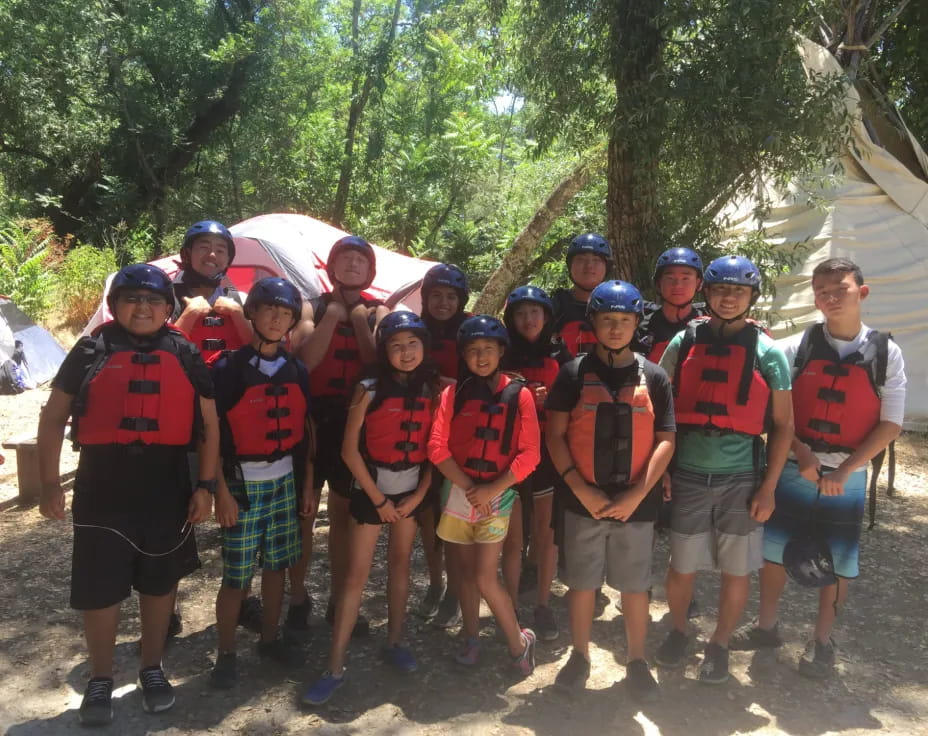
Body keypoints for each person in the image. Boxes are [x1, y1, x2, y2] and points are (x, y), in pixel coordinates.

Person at [37, 264, 218, 727]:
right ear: (115, 305)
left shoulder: (183, 351)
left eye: (153, 300)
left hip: (166, 484)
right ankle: (100, 678)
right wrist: (50, 482)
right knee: (101, 589)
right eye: (132, 299)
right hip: (103, 483)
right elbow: (54, 416)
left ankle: (152, 668)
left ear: (168, 308)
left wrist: (206, 485)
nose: (143, 308)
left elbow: (210, 424)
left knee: (160, 584)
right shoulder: (91, 349)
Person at [730, 257, 905, 678]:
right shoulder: (796, 347)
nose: (830, 297)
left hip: (849, 472)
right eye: (821, 291)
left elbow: (891, 424)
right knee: (773, 552)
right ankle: (766, 626)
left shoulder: (886, 353)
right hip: (793, 465)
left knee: (837, 561)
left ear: (861, 292)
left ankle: (822, 640)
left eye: (839, 288)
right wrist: (803, 454)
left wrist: (845, 471)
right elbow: (776, 413)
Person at [655, 255, 794, 684]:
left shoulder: (768, 352)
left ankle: (718, 643)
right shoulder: (684, 342)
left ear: (751, 296)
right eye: (720, 290)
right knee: (682, 564)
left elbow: (785, 425)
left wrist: (768, 487)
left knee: (737, 569)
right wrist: (660, 469)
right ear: (707, 294)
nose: (728, 297)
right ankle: (679, 630)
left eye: (738, 290)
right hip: (690, 473)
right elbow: (658, 411)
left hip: (741, 478)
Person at [545, 281, 675, 700]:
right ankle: (579, 654)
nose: (615, 328)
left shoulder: (654, 377)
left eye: (624, 320)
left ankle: (637, 660)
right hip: (583, 498)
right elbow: (555, 437)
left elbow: (666, 439)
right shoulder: (572, 374)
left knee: (634, 587)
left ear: (636, 323)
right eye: (607, 320)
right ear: (593, 323)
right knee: (582, 584)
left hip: (635, 500)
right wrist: (580, 489)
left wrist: (638, 494)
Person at [302, 311, 439, 705]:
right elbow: (349, 449)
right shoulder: (368, 387)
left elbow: (434, 449)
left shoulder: (431, 389)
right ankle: (334, 667)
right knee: (355, 577)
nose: (406, 351)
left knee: (400, 567)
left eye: (413, 343)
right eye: (396, 345)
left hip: (412, 489)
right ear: (384, 350)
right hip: (372, 491)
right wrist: (378, 500)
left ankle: (395, 641)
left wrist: (417, 497)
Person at [209, 278, 314, 689]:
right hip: (242, 485)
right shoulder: (227, 368)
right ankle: (226, 653)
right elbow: (210, 433)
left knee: (277, 567)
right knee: (236, 576)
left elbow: (306, 434)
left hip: (285, 480)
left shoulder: (296, 369)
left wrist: (306, 486)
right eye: (268, 309)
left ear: (291, 320)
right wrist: (219, 489)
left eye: (285, 312)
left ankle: (270, 640)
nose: (276, 317)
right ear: (250, 312)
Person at [427, 315, 540, 675]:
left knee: (484, 576)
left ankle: (518, 643)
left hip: (498, 494)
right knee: (461, 571)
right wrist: (467, 487)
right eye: (473, 351)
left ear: (500, 351)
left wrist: (490, 489)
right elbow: (436, 446)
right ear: (463, 355)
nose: (480, 357)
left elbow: (530, 454)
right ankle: (471, 636)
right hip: (458, 491)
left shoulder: (519, 395)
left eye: (488, 350)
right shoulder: (452, 394)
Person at [299, 235, 390, 636]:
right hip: (309, 421)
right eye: (345, 258)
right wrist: (333, 316)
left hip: (352, 423)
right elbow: (305, 361)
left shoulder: (378, 310)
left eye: (361, 260)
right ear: (331, 267)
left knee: (340, 517)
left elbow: (378, 364)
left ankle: (339, 601)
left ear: (370, 272)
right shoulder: (310, 306)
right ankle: (297, 597)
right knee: (302, 515)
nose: (353, 264)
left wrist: (357, 321)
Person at [500, 285, 571, 641]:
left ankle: (543, 605)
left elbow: (574, 400)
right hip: (510, 456)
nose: (528, 320)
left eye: (535, 313)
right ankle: (510, 606)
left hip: (546, 456)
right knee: (513, 539)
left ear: (546, 317)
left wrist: (551, 397)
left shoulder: (561, 353)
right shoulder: (500, 352)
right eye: (521, 314)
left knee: (546, 534)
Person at [415, 263, 471, 628]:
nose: (443, 303)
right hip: (417, 435)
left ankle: (453, 588)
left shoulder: (470, 332)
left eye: (451, 297)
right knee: (426, 516)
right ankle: (434, 583)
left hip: (455, 437)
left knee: (450, 517)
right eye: (436, 295)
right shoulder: (413, 330)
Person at [171, 220, 251, 364]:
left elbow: (256, 353)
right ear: (187, 254)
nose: (212, 254)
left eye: (220, 250)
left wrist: (239, 314)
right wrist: (189, 315)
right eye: (203, 247)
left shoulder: (240, 300)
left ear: (228, 260)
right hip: (187, 381)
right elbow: (161, 353)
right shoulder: (167, 299)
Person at [635, 247, 706, 363]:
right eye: (670, 278)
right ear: (659, 283)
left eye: (686, 278)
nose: (678, 285)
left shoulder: (707, 327)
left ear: (698, 283)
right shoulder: (642, 327)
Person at [551, 233, 611, 358]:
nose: (589, 266)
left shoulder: (623, 306)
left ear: (607, 267)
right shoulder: (553, 308)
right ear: (570, 265)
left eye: (596, 260)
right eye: (581, 259)